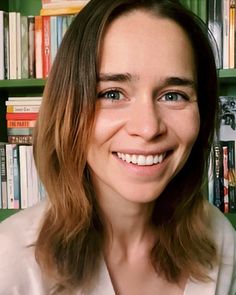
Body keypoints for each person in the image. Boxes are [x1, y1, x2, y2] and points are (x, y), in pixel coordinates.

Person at [0, 0, 235, 294]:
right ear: (67, 108)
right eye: (112, 93)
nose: (148, 128)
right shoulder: (9, 263)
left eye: (173, 96)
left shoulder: (220, 238)